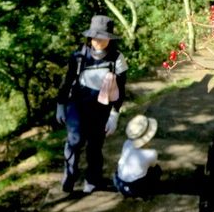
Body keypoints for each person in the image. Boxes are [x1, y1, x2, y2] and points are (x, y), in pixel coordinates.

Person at [56, 14, 128, 193]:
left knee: (95, 145)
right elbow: (67, 81)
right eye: (96, 37)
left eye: (103, 37)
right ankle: (70, 177)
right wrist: (60, 105)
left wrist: (114, 114)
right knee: (75, 139)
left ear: (109, 38)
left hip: (101, 106)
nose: (99, 41)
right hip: (78, 102)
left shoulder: (117, 59)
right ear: (90, 37)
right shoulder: (79, 56)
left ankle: (92, 180)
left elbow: (121, 88)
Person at [113, 114, 161, 198]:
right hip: (136, 188)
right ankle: (146, 191)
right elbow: (153, 165)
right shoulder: (151, 153)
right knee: (156, 170)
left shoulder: (127, 143)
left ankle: (127, 189)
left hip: (119, 183)